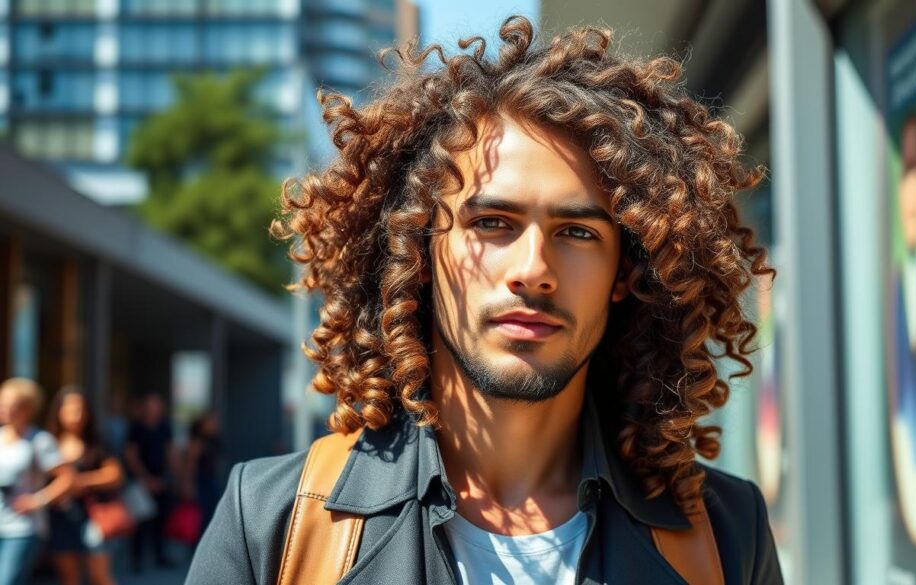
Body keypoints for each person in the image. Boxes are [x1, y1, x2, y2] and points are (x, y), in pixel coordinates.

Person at [187, 16, 782, 584]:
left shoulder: (726, 536)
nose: (533, 270)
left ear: (625, 272)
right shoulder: (274, 525)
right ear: (416, 253)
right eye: (493, 223)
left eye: (577, 232)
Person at [46, 387, 125, 585]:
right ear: (59, 412)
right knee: (69, 577)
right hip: (61, 516)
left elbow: (114, 475)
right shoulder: (48, 443)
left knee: (99, 575)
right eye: (71, 409)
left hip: (92, 515)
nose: (76, 415)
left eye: (81, 409)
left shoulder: (97, 442)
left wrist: (79, 481)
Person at [0, 378, 73, 585]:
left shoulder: (39, 440)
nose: (3, 408)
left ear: (26, 408)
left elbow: (67, 477)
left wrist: (38, 500)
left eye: (10, 403)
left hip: (22, 527)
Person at [123, 393, 175, 571]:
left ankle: (159, 555)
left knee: (161, 519)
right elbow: (131, 455)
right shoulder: (136, 428)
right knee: (140, 522)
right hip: (141, 481)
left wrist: (168, 476)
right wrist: (145, 479)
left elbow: (170, 452)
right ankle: (137, 560)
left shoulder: (164, 426)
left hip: (161, 479)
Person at [178, 412, 222, 531]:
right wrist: (188, 485)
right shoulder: (197, 441)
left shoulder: (213, 440)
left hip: (210, 480)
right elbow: (190, 464)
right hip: (200, 481)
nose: (215, 425)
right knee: (201, 517)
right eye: (211, 422)